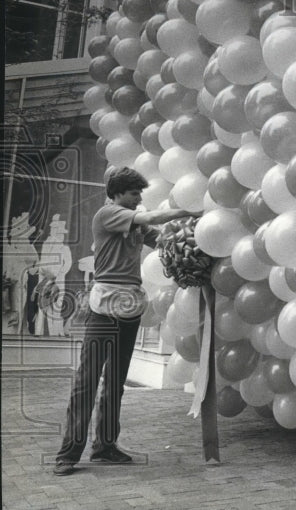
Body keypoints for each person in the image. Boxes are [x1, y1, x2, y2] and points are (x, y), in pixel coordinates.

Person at [53, 168, 199, 476]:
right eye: (134, 194)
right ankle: (68, 453)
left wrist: (194, 248)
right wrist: (190, 208)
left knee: (116, 381)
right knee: (87, 380)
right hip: (104, 307)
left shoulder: (132, 222)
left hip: (130, 307)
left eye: (139, 194)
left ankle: (104, 447)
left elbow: (163, 242)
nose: (138, 199)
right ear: (118, 193)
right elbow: (150, 220)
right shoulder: (108, 214)